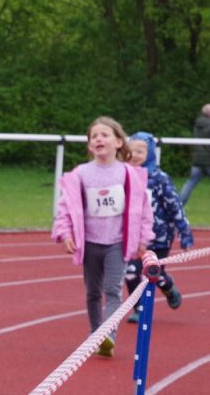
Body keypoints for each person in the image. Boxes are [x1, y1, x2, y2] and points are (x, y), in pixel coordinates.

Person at [50, 116, 153, 358]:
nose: (99, 139)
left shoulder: (129, 174)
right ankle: (96, 333)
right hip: (90, 242)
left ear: (119, 142)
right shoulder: (81, 174)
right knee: (93, 292)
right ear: (89, 145)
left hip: (117, 242)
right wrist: (65, 233)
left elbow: (143, 210)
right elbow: (66, 207)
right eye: (94, 136)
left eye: (104, 135)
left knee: (113, 289)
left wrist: (142, 239)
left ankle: (109, 334)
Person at [125, 133, 192, 320]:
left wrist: (185, 233)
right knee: (131, 273)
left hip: (159, 238)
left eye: (140, 151)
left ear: (151, 153)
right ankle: (139, 309)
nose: (135, 155)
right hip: (135, 238)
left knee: (154, 273)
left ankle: (168, 286)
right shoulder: (124, 176)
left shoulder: (160, 179)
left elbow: (175, 206)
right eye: (131, 151)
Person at [179, 103, 210, 206]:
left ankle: (178, 205)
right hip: (208, 159)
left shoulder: (199, 123)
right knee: (190, 183)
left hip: (197, 160)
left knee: (190, 183)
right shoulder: (207, 124)